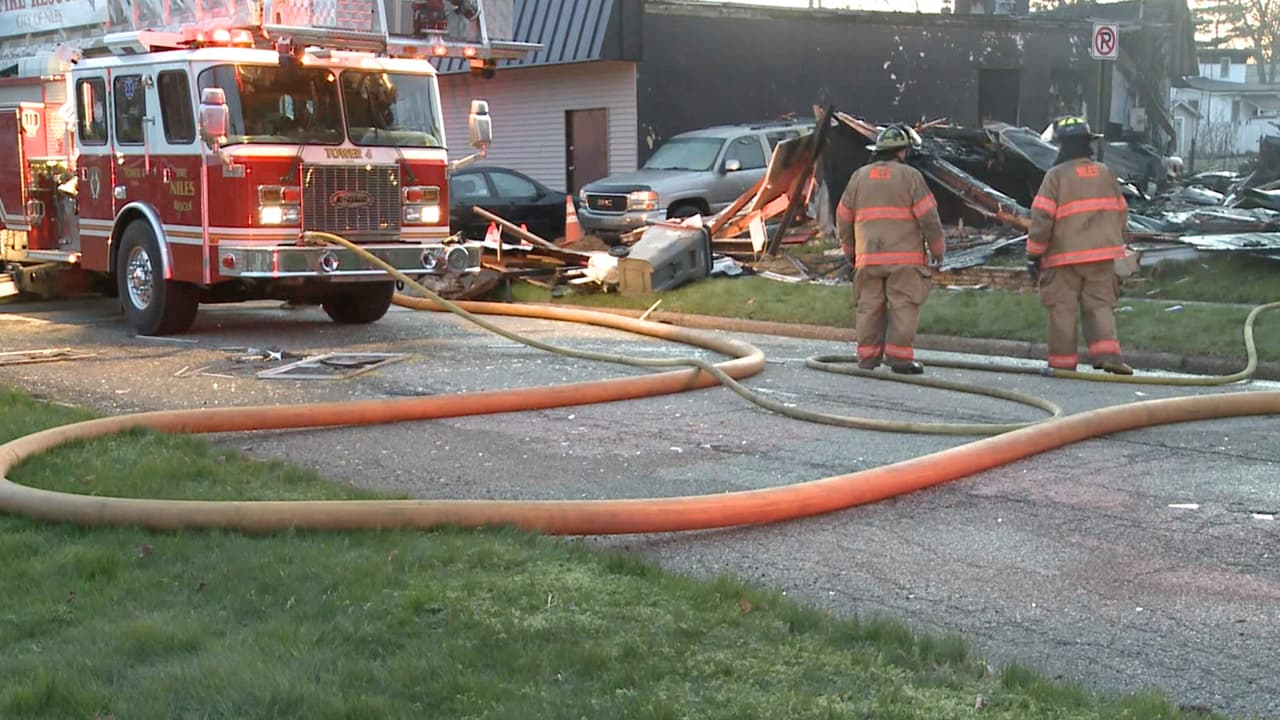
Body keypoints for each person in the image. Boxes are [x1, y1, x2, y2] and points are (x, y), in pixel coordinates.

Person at [1027, 116, 1133, 375]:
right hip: (1102, 256)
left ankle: (1063, 365)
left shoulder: (1056, 176)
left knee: (1062, 309)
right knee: (1100, 306)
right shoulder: (1105, 173)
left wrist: (1034, 255)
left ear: (1061, 146)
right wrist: (1114, 243)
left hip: (1063, 259)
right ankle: (1109, 356)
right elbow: (1121, 211)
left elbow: (1042, 218)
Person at [836, 124, 945, 374]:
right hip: (904, 260)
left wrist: (850, 251)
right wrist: (938, 251)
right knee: (903, 305)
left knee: (868, 307)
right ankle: (899, 360)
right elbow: (929, 218)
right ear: (902, 151)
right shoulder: (910, 177)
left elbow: (843, 217)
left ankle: (867, 359)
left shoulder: (859, 177)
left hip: (868, 258)